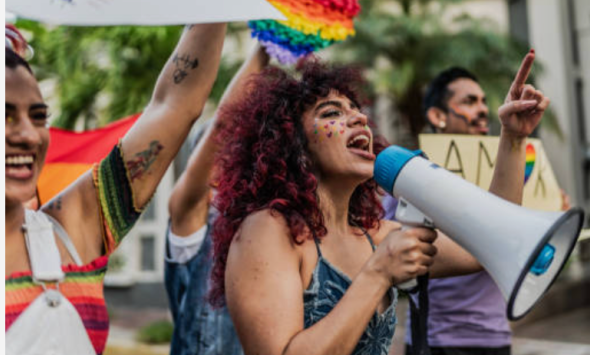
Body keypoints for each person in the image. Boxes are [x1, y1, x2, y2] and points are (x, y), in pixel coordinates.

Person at [208, 49, 549, 355]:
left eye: (357, 111)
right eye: (332, 112)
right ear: (293, 145)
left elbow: (487, 242)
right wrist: (379, 273)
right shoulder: (268, 231)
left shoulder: (377, 235)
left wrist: (514, 137)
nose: (359, 118)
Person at [5, 15, 229, 352]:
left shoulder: (68, 235)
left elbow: (175, 105)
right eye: (5, 115)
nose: (28, 135)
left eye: (38, 117)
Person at [383, 66, 569, 355]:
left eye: (483, 101)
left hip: (496, 336)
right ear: (438, 116)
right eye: (469, 101)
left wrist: (552, 219)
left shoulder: (508, 169)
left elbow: (515, 244)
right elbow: (389, 252)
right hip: (439, 341)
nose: (482, 109)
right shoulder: (413, 176)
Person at [165, 43, 269, 355]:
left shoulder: (264, 227)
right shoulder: (192, 217)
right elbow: (223, 127)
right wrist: (267, 47)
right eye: (230, 153)